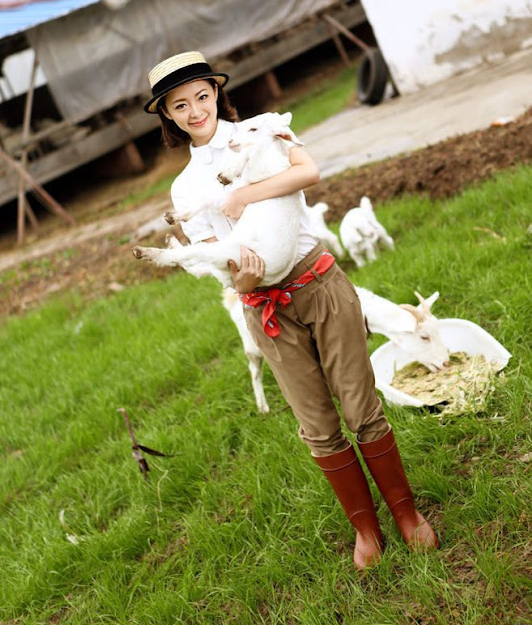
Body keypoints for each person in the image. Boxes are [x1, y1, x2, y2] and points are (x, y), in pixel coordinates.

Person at [144, 50, 438, 570]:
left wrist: (244, 195)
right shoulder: (185, 189)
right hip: (267, 306)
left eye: (202, 97)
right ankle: (365, 530)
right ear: (167, 114)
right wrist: (247, 279)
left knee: (359, 405)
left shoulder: (260, 130)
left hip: (320, 282)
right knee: (318, 423)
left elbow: (309, 171)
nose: (195, 112)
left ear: (217, 94)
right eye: (180, 105)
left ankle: (407, 514)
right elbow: (226, 267)